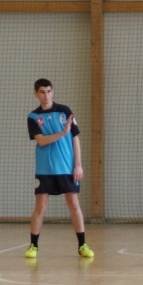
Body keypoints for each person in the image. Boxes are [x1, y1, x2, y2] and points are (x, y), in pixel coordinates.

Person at [25, 78, 94, 260]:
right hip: (45, 168)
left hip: (67, 167)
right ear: (36, 94)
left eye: (48, 91)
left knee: (74, 204)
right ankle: (33, 246)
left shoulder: (65, 111)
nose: (46, 95)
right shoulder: (33, 117)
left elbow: (75, 138)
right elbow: (41, 141)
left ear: (53, 91)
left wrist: (78, 164)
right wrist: (62, 133)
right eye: (42, 92)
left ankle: (82, 245)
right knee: (40, 207)